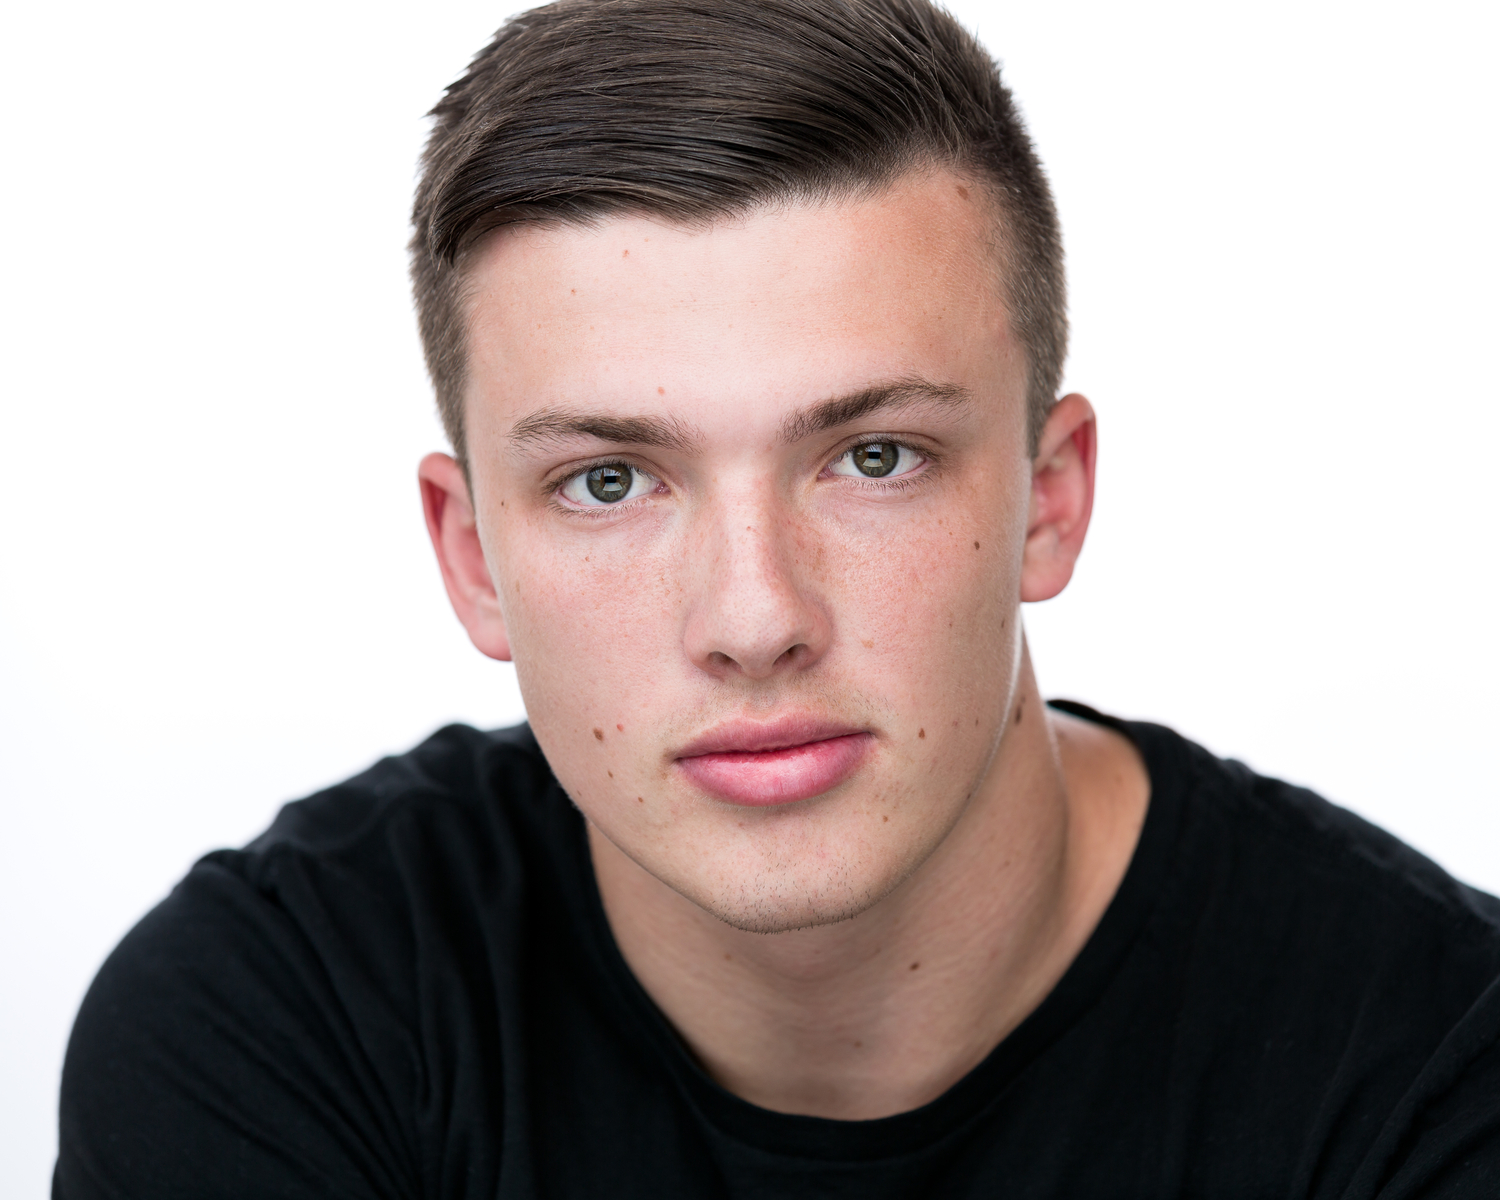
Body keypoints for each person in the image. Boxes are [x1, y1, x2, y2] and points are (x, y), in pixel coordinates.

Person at [53, 0, 1500, 1195]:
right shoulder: (276, 1023)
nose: (754, 620)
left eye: (874, 458)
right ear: (473, 556)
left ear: (1050, 500)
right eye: (609, 481)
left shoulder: (1434, 1068)